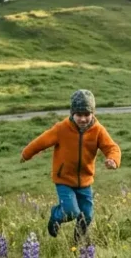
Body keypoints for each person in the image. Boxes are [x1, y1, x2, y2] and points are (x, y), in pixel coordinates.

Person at [20, 89, 121, 239]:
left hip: (85, 181)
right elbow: (42, 141)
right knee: (71, 211)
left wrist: (113, 159)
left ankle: (77, 241)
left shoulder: (98, 130)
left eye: (87, 114)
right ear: (72, 113)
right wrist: (26, 154)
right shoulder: (62, 128)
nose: (83, 119)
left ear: (93, 113)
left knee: (87, 214)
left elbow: (112, 147)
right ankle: (55, 216)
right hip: (64, 180)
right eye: (79, 115)